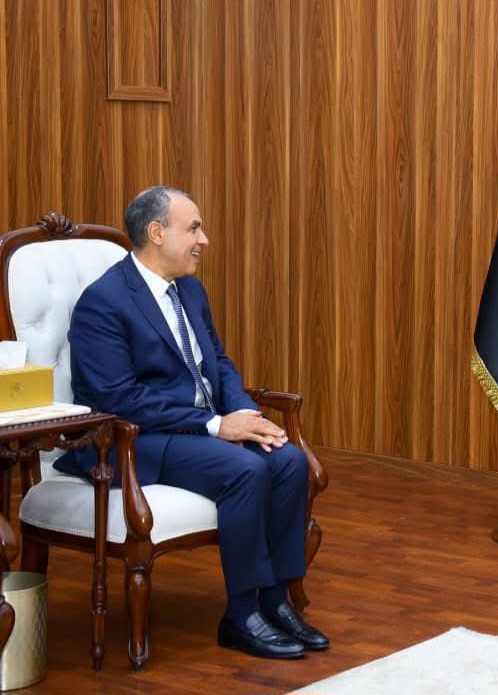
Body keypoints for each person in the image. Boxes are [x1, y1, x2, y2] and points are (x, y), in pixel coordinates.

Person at [58, 186, 329, 659]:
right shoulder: (103, 302)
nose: (204, 239)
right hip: (134, 440)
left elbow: (217, 362)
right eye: (194, 228)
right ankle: (241, 615)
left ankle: (275, 600)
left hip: (195, 427)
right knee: (245, 469)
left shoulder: (190, 289)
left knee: (287, 461)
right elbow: (121, 399)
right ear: (156, 233)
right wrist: (215, 426)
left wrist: (245, 413)